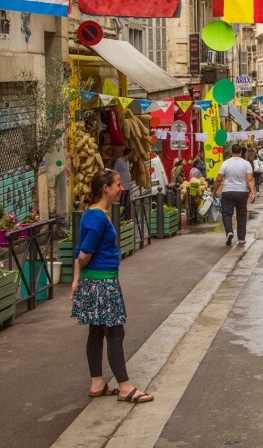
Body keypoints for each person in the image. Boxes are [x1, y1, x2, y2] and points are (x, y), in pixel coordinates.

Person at [71, 169, 153, 404]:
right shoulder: (98, 217)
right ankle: (125, 387)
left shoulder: (90, 213)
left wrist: (77, 279)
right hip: (102, 283)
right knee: (115, 332)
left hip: (92, 281)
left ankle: (97, 382)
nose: (122, 188)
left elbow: (78, 251)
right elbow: (84, 252)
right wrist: (82, 269)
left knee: (96, 331)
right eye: (117, 184)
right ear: (105, 188)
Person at [212, 143, 257, 246]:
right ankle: (241, 238)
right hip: (242, 192)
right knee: (241, 214)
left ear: (231, 152)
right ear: (241, 152)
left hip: (228, 191)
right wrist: (253, 193)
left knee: (227, 213)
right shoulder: (246, 164)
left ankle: (229, 231)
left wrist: (213, 193)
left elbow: (219, 179)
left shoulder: (225, 163)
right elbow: (250, 179)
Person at [113, 148, 132, 216]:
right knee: (122, 204)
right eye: (131, 154)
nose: (131, 155)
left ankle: (124, 217)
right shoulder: (119, 161)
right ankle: (119, 218)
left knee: (126, 204)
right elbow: (115, 172)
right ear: (128, 154)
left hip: (127, 186)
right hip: (122, 186)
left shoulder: (127, 162)